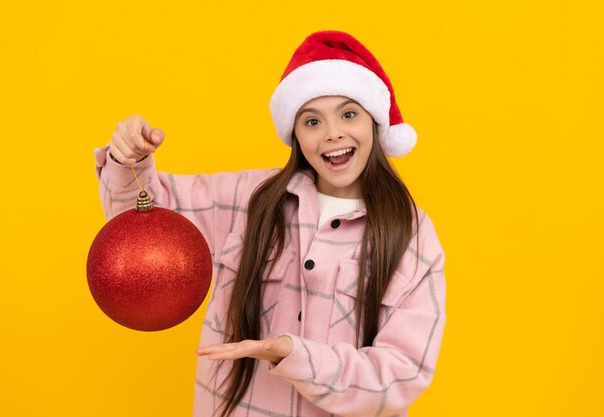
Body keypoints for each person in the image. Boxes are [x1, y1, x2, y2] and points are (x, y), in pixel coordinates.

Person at [94, 30, 447, 417]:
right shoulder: (248, 199)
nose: (333, 133)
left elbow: (403, 374)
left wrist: (298, 357)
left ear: (375, 123)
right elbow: (136, 231)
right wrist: (129, 160)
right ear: (295, 134)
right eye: (312, 121)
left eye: (349, 114)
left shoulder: (411, 235)